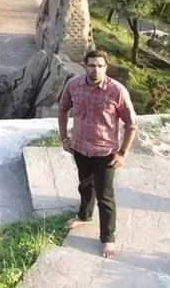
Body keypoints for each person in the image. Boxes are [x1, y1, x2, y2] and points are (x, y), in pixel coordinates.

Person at [57, 49, 138, 259]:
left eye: (100, 65)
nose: (96, 69)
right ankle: (84, 216)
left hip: (105, 152)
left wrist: (122, 153)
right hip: (80, 147)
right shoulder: (73, 85)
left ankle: (108, 238)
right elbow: (63, 108)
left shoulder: (116, 91)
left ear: (106, 67)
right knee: (85, 185)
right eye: (92, 65)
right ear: (85, 66)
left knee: (105, 196)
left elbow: (131, 124)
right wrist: (64, 137)